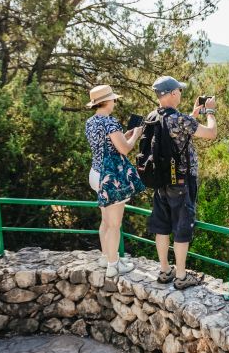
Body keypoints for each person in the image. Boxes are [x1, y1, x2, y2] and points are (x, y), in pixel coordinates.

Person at [146, 76, 217, 290]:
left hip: (160, 182)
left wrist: (193, 115)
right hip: (181, 182)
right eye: (179, 90)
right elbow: (211, 133)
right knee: (181, 228)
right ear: (172, 93)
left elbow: (174, 130)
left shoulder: (151, 116)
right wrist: (210, 112)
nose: (181, 93)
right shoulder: (179, 120)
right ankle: (181, 276)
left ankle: (165, 270)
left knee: (162, 227)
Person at [85, 84, 141, 278]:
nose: (115, 102)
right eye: (113, 99)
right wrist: (135, 136)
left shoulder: (90, 122)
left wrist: (124, 137)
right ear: (107, 101)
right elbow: (124, 149)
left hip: (96, 173)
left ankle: (105, 256)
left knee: (106, 221)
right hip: (111, 177)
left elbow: (108, 145)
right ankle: (113, 265)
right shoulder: (111, 122)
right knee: (115, 224)